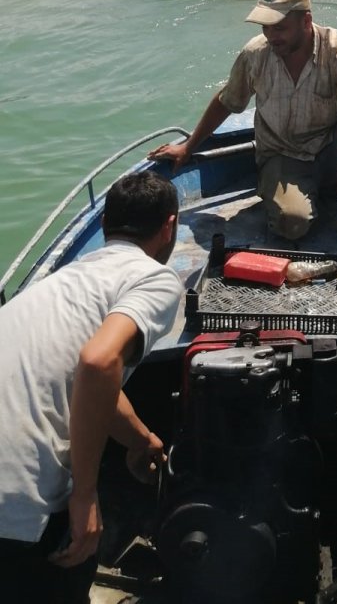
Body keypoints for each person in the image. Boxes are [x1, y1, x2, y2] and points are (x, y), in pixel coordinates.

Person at [0, 170, 183, 603]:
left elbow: (87, 378)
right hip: (18, 509)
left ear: (103, 225)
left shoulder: (61, 283)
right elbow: (99, 363)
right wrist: (84, 495)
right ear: (170, 228)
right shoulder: (153, 278)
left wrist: (140, 441)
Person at [150, 0, 337, 243]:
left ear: (306, 22)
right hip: (283, 156)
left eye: (280, 28)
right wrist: (188, 147)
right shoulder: (256, 54)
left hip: (330, 148)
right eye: (266, 27)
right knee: (291, 224)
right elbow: (227, 101)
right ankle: (304, 196)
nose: (271, 36)